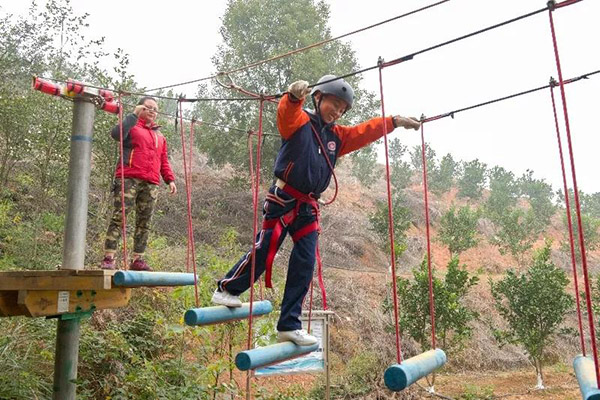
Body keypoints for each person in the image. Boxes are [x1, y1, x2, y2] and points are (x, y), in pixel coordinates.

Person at [212, 75, 420, 345]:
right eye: (334, 104)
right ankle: (226, 289)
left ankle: (289, 324)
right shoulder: (299, 123)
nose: (337, 112)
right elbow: (287, 113)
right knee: (267, 248)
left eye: (342, 109)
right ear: (318, 97)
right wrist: (293, 97)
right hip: (284, 198)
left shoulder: (337, 137)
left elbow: (364, 131)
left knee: (305, 262)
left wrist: (393, 122)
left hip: (308, 207)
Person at [100, 96, 177, 271]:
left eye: (155, 109)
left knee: (145, 221)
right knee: (120, 217)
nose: (152, 111)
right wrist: (133, 115)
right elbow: (115, 134)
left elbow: (163, 160)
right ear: (140, 108)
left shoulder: (160, 136)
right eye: (148, 107)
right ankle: (109, 257)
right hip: (129, 178)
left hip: (151, 182)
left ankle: (138, 260)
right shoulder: (131, 126)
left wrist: (170, 179)